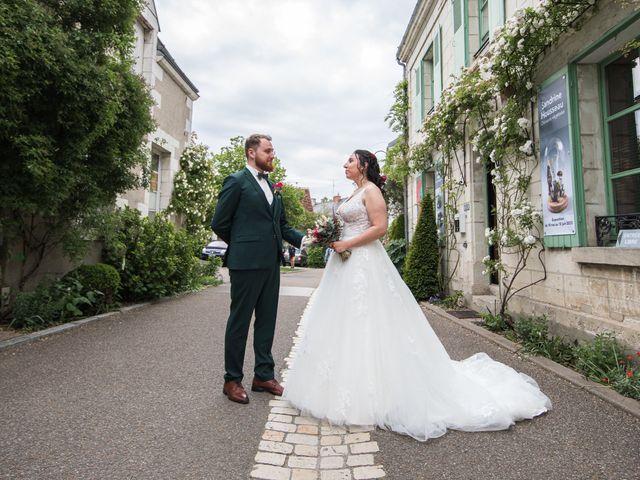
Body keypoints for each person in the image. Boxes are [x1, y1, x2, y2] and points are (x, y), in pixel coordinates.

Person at [283, 149, 551, 441]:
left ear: (363, 165)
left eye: (349, 160)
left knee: (369, 318)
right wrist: (334, 239)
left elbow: (380, 229)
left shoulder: (371, 191)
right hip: (344, 264)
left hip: (363, 262)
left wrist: (348, 243)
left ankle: (378, 390)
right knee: (343, 321)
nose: (344, 164)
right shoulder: (354, 193)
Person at [211, 134, 305, 404]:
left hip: (270, 264)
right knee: (239, 322)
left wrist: (304, 239)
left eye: (272, 150)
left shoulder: (274, 188)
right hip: (245, 262)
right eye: (268, 150)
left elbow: (282, 225)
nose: (272, 155)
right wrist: (243, 243)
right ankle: (232, 380)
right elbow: (220, 222)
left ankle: (263, 375)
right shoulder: (236, 181)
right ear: (252, 153)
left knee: (267, 321)